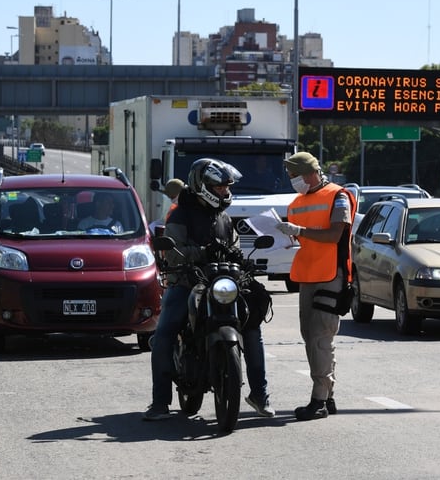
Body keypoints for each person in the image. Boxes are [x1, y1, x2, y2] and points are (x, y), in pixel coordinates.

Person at [144, 158, 275, 421]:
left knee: (252, 327)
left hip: (222, 283)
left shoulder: (223, 217)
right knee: (165, 332)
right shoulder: (180, 213)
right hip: (187, 282)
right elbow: (172, 254)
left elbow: (233, 246)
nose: (225, 192)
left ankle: (259, 394)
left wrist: (240, 257)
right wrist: (202, 252)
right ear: (203, 186)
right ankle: (159, 402)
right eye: (219, 188)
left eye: (227, 187)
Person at [275, 151, 356, 421]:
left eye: (295, 175)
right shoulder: (296, 202)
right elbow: (306, 238)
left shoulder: (338, 196)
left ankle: (319, 400)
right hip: (308, 274)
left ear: (310, 172)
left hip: (331, 275)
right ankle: (327, 395)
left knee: (321, 337)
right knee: (310, 337)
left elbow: (335, 234)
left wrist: (299, 231)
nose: (292, 181)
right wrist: (291, 236)